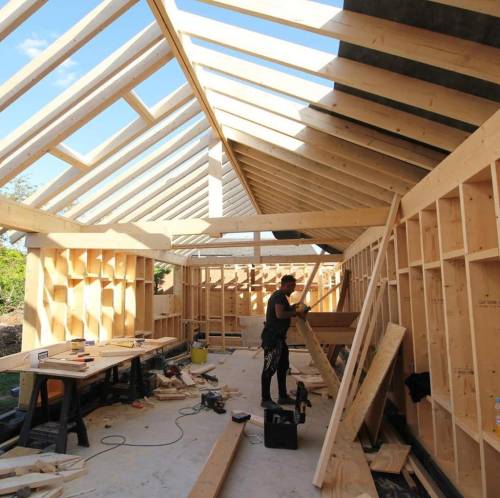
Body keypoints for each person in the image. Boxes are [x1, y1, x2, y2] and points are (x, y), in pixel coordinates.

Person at [261, 274, 308, 409]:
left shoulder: (281, 297)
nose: (293, 290)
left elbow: (284, 310)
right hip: (272, 339)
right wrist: (296, 313)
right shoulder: (279, 296)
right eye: (291, 287)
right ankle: (265, 399)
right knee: (269, 369)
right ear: (285, 285)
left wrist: (294, 307)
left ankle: (283, 397)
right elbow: (280, 314)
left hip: (279, 339)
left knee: (282, 367)